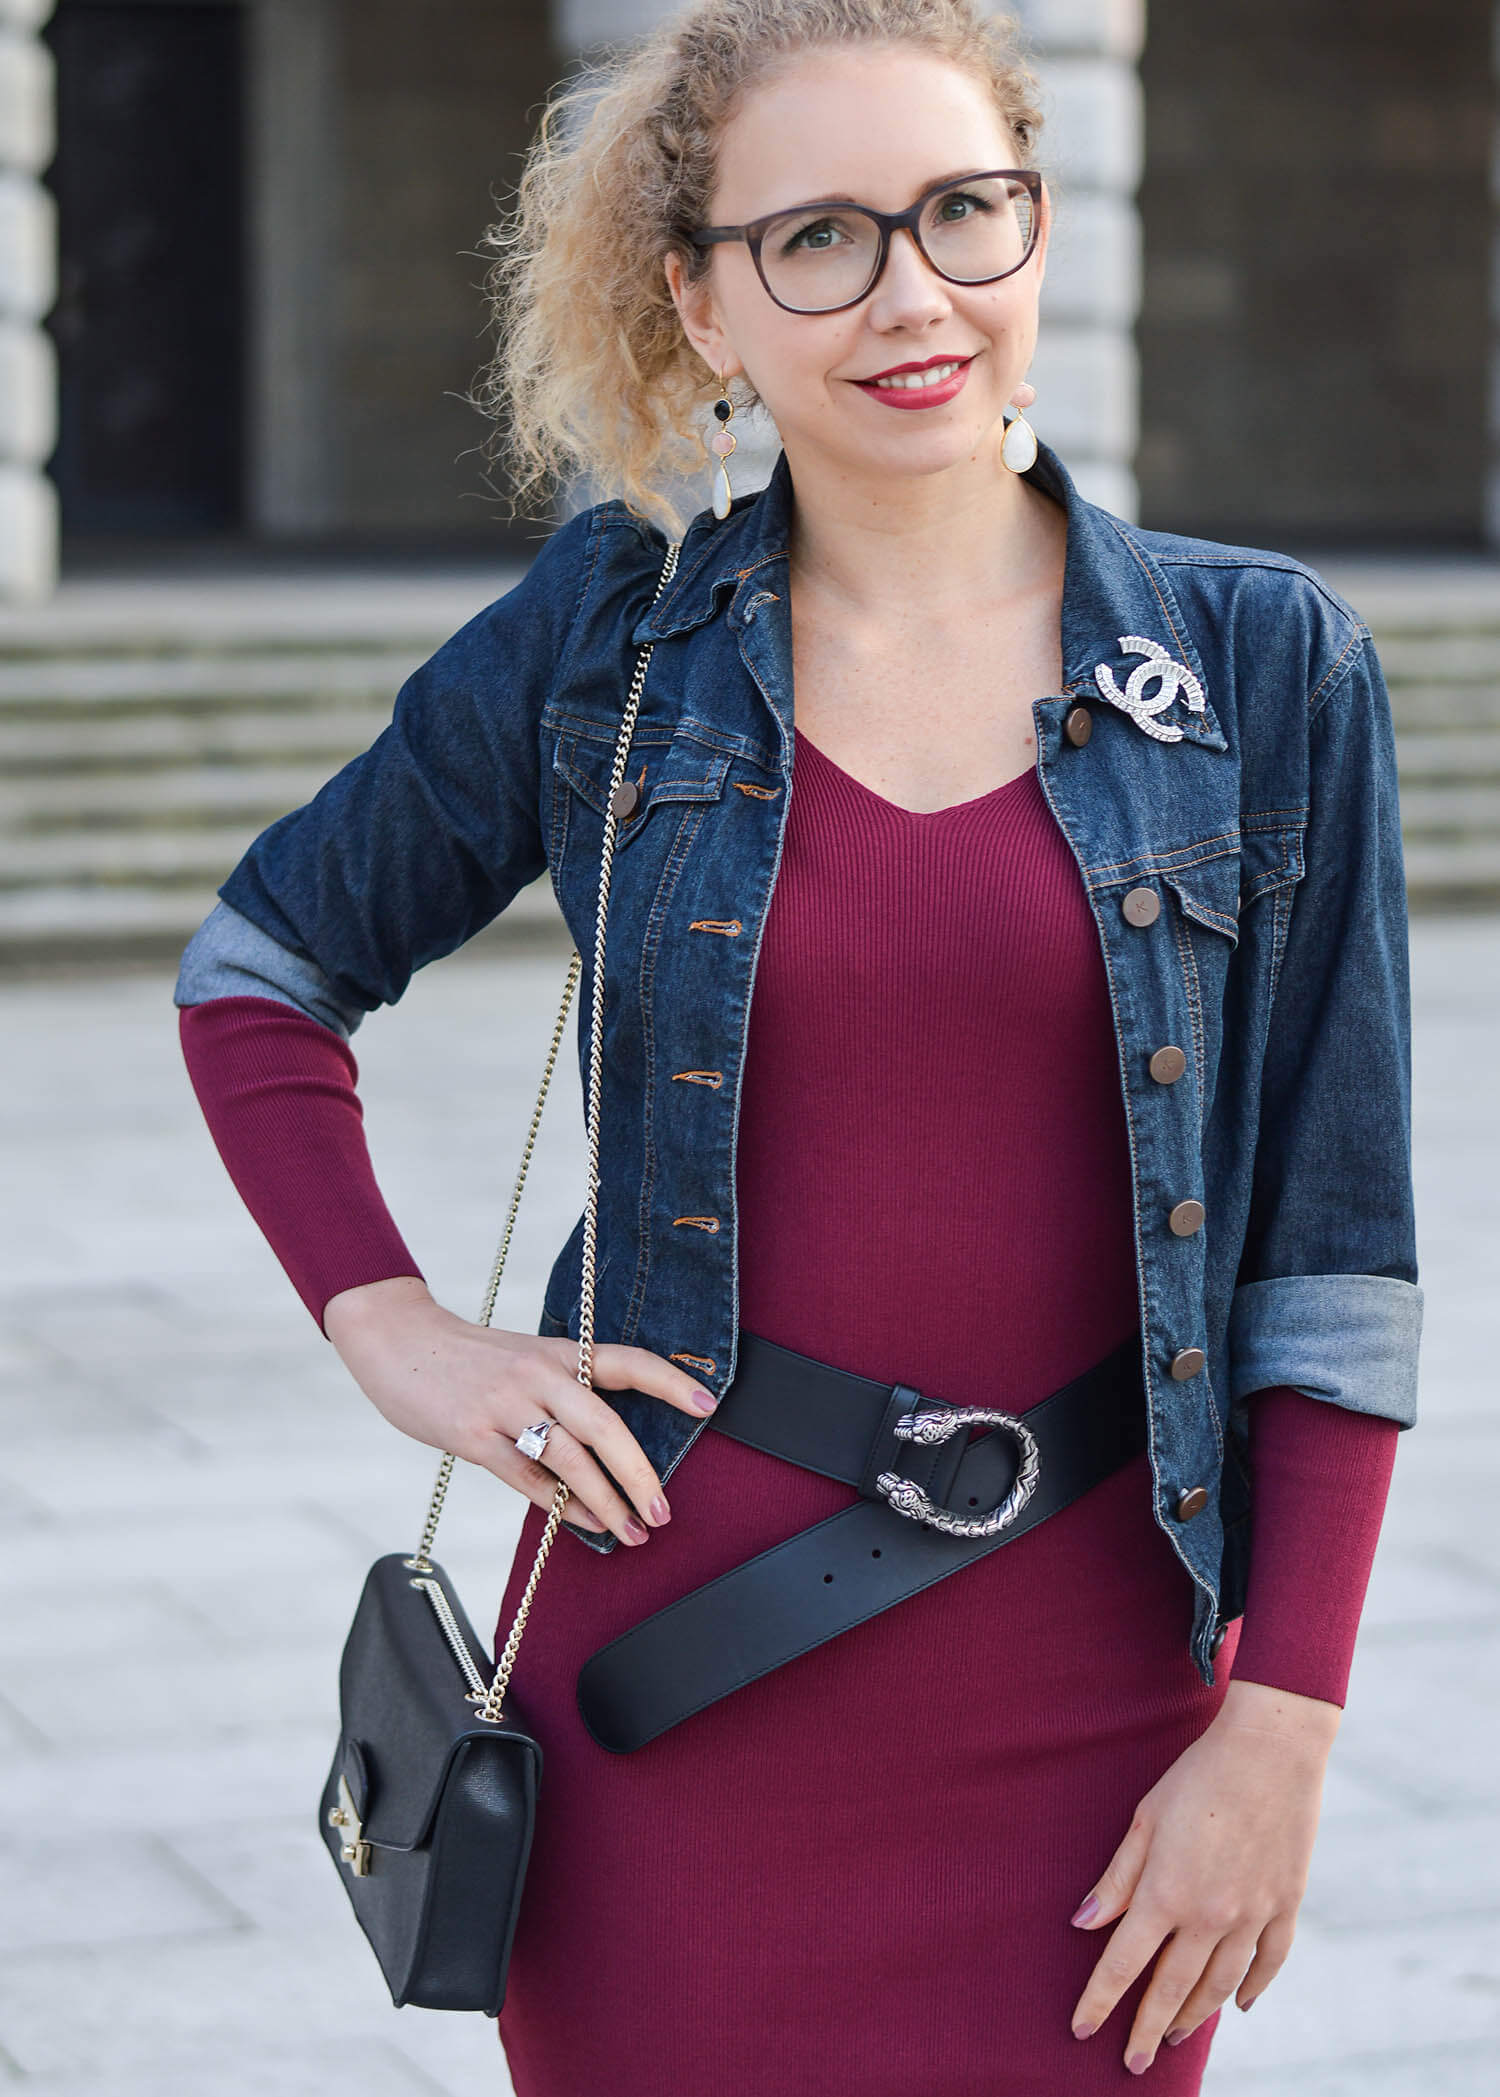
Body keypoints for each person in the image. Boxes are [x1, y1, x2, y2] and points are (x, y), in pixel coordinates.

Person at [174, 2, 1424, 2090]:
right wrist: (394, 1322)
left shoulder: (1256, 666)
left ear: (1039, 226)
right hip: (667, 1686)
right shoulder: (616, 639)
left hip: (1102, 1716)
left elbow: (1335, 1260)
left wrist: (1282, 1727)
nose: (912, 293)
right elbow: (261, 968)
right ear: (704, 299)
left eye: (963, 211)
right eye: (818, 238)